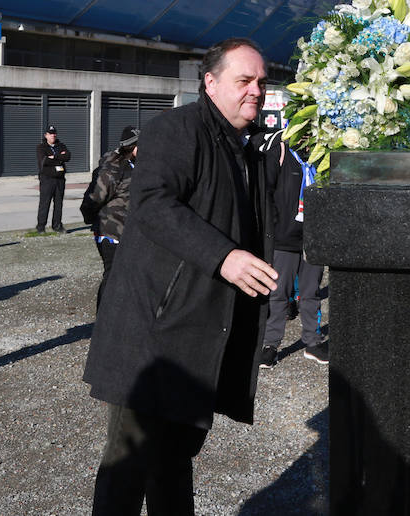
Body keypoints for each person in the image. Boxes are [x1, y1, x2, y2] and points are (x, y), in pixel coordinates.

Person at [84, 38, 279, 516]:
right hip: (156, 329)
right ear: (210, 83)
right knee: (130, 460)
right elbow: (152, 204)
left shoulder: (246, 147)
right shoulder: (177, 129)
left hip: (198, 330)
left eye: (261, 82)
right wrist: (225, 257)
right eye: (244, 80)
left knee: (176, 457)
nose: (256, 91)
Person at [257, 128, 326, 369]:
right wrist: (273, 227)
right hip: (284, 238)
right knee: (277, 293)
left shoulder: (321, 158)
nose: (307, 141)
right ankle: (270, 345)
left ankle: (313, 342)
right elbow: (265, 191)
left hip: (313, 237)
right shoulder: (282, 153)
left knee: (310, 292)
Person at [80, 126, 139, 309]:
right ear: (132, 146)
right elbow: (94, 198)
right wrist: (91, 219)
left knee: (128, 277)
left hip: (128, 233)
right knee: (112, 276)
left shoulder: (137, 165)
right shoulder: (113, 168)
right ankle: (104, 322)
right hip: (111, 232)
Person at [36, 125, 72, 233]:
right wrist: (59, 158)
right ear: (46, 135)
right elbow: (44, 161)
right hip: (47, 179)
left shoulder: (61, 145)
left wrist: (54, 157)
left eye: (54, 133)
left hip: (60, 179)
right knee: (44, 203)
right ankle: (41, 227)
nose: (53, 135)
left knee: (58, 203)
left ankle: (57, 225)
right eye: (50, 134)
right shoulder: (41, 147)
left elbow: (68, 157)